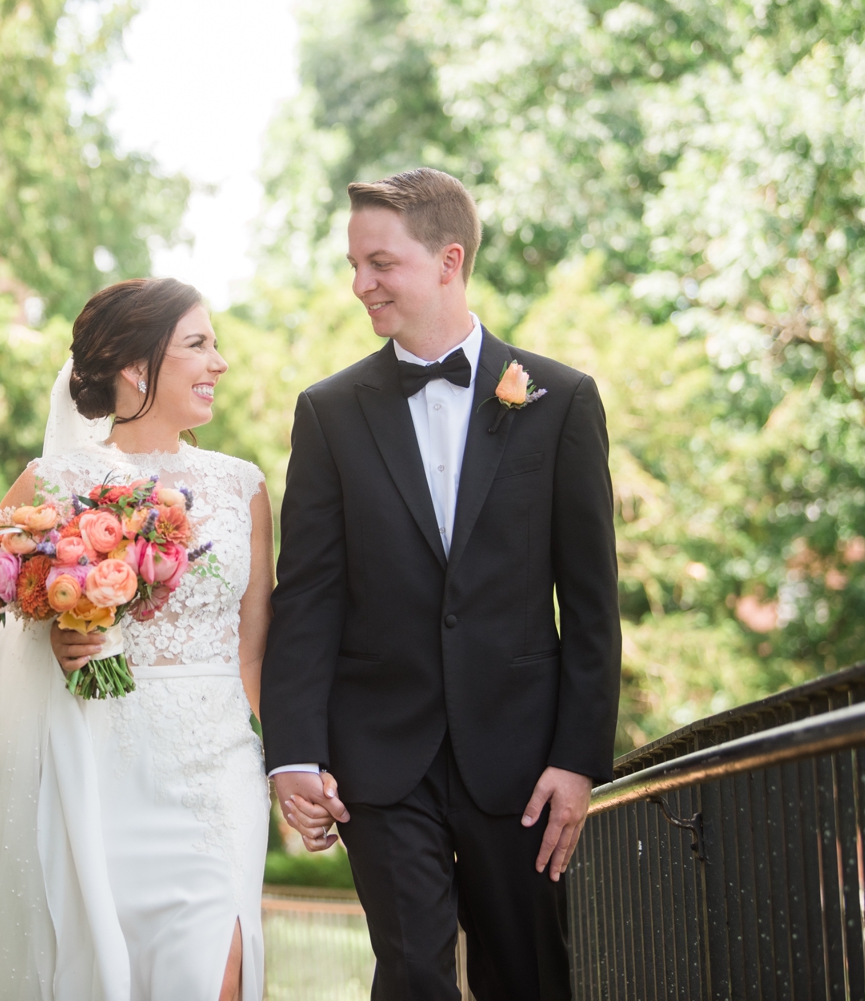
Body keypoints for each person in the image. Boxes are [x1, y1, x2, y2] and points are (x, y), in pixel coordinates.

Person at [262, 168, 621, 1000]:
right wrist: (294, 750)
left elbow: (592, 600)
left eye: (380, 264)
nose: (361, 285)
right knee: (416, 968)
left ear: (448, 260)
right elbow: (307, 594)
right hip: (381, 757)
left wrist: (578, 758)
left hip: (523, 759)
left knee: (527, 973)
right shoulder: (328, 411)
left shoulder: (561, 400)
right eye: (355, 264)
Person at [0, 277, 275, 1001]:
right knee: (105, 972)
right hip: (101, 761)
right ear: (135, 366)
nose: (219, 362)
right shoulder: (51, 480)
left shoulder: (241, 487)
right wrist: (52, 640)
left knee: (219, 967)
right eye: (198, 344)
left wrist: (281, 766)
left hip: (218, 769)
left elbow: (253, 651)